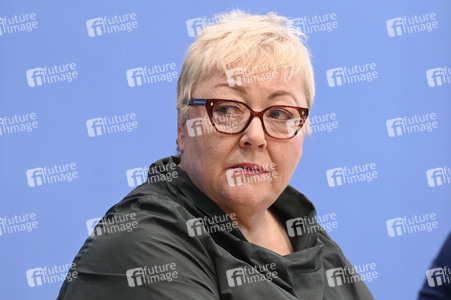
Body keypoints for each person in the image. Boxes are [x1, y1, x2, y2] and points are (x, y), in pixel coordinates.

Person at [58, 10, 374, 299]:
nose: (255, 136)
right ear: (183, 127)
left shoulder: (310, 237)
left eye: (279, 114)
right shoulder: (137, 245)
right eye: (227, 109)